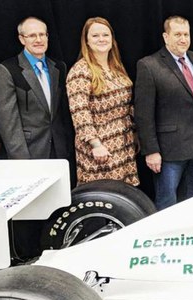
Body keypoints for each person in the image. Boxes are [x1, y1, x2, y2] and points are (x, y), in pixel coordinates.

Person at [135, 16, 193, 210]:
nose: (183, 39)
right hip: (168, 151)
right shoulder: (149, 65)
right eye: (177, 34)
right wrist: (151, 151)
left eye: (186, 34)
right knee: (167, 203)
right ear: (165, 37)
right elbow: (144, 114)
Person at [67, 17, 139, 186]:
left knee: (124, 200)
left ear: (112, 39)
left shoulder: (116, 67)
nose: (101, 39)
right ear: (87, 41)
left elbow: (127, 105)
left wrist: (135, 134)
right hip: (100, 151)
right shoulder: (80, 70)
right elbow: (79, 112)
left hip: (123, 146)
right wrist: (95, 144)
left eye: (105, 35)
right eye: (95, 36)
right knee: (103, 198)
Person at [0, 17, 73, 164]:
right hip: (29, 152)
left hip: (60, 151)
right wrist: (22, 161)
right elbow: (8, 123)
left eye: (42, 34)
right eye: (32, 35)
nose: (38, 40)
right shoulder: (7, 70)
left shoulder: (59, 67)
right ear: (22, 39)